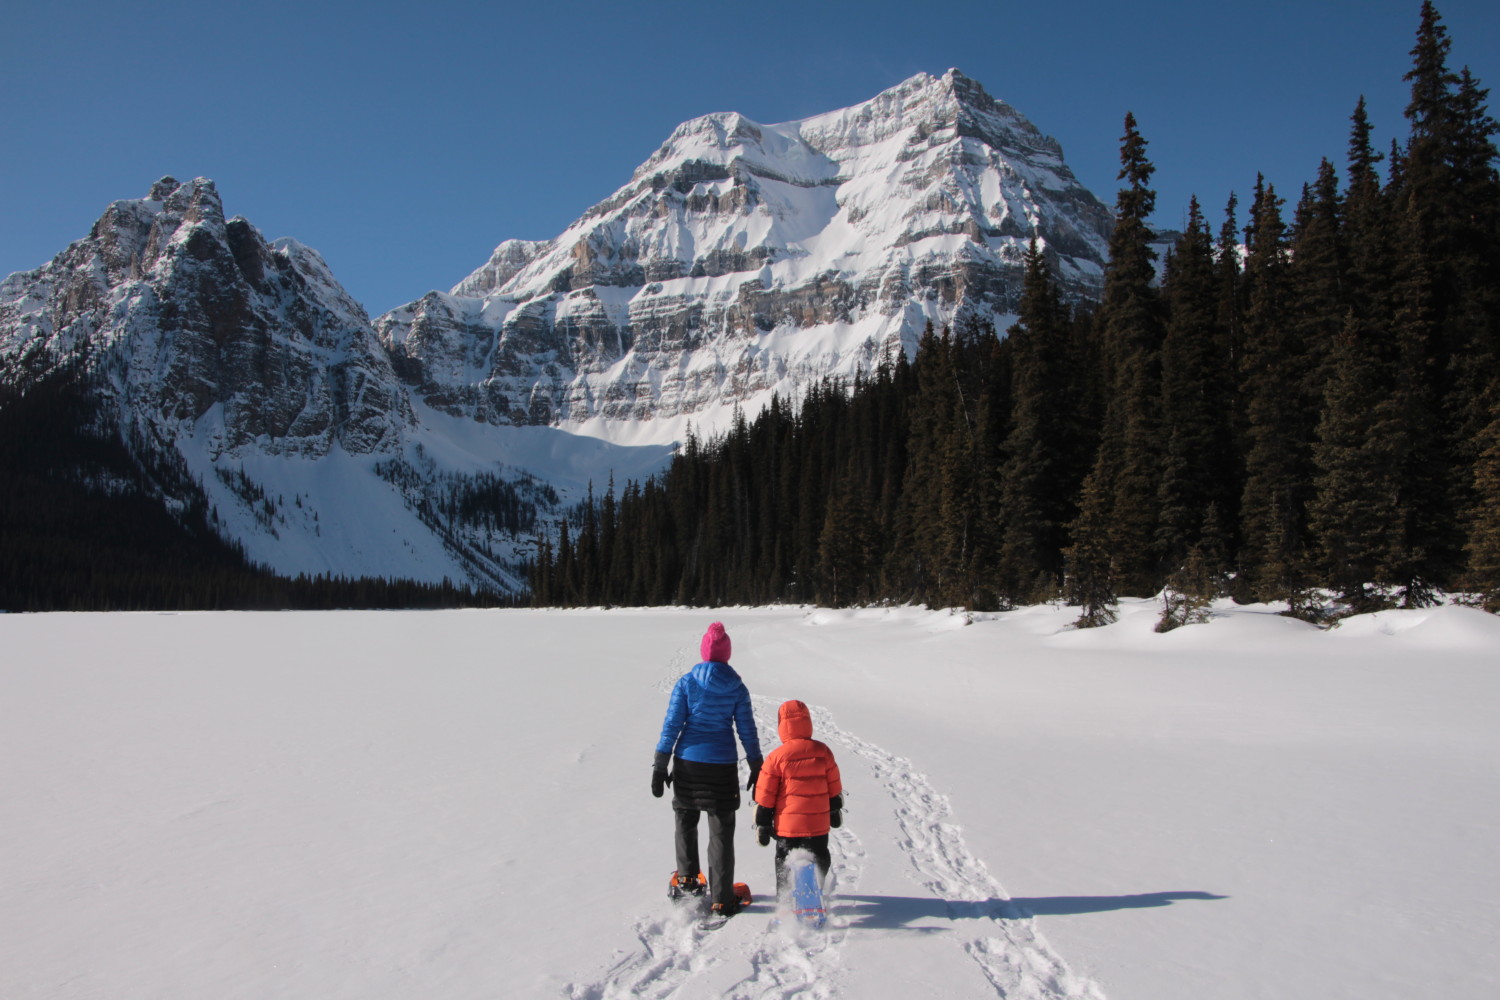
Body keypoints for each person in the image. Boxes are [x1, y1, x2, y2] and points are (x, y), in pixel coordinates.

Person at [653, 622, 763, 918]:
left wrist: (660, 765)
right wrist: (756, 763)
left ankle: (687, 882)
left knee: (685, 818)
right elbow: (747, 730)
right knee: (721, 830)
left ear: (703, 653)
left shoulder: (687, 683)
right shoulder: (737, 687)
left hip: (688, 765)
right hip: (722, 767)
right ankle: (722, 898)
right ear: (727, 654)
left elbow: (672, 725)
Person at [752, 699, 844, 895]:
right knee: (820, 855)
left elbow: (765, 794)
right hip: (817, 826)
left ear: (782, 726)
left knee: (783, 859)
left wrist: (763, 820)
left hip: (788, 827)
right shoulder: (823, 751)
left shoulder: (776, 757)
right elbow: (834, 786)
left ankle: (784, 898)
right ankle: (815, 887)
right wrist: (834, 808)